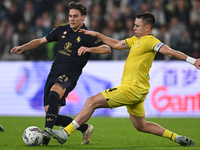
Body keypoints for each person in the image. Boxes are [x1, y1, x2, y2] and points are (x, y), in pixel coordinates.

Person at [44, 12, 199, 146]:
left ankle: (66, 133)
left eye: (137, 26)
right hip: (138, 90)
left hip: (131, 88)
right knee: (141, 125)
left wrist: (194, 61)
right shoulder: (135, 40)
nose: (134, 28)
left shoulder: (150, 40)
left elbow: (170, 52)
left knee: (92, 102)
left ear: (147, 28)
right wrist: (98, 35)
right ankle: (176, 137)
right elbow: (117, 44)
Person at [10, 1, 111, 146]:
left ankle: (46, 133)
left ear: (83, 17)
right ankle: (85, 128)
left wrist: (89, 49)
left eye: (75, 16)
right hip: (53, 73)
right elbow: (40, 41)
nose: (71, 19)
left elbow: (107, 48)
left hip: (70, 75)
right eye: (70, 16)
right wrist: (23, 47)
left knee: (54, 93)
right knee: (52, 116)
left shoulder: (88, 35)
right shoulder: (61, 30)